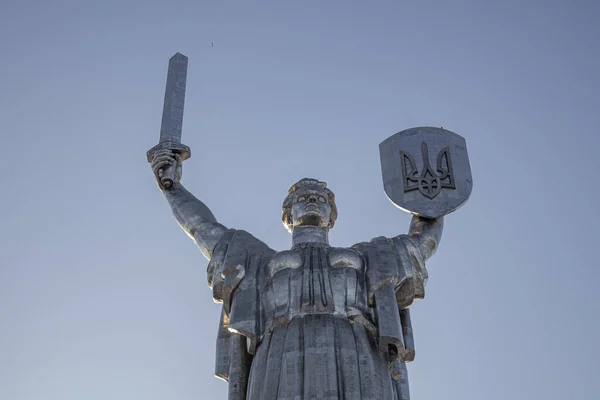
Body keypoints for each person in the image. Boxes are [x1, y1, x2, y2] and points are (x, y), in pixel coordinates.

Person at [150, 150, 443, 400]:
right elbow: (203, 229)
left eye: (321, 198)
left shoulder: (368, 256)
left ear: (332, 215)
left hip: (355, 348)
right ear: (288, 216)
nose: (312, 200)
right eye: (303, 197)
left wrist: (433, 200)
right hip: (281, 350)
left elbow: (421, 243)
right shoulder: (257, 259)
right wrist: (172, 187)